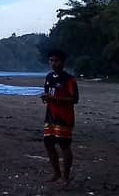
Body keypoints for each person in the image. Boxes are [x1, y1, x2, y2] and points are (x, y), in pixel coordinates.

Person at [41, 49, 80, 185]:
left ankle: (66, 176)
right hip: (50, 116)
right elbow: (48, 94)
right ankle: (56, 173)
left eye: (56, 60)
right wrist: (46, 98)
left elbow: (74, 99)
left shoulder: (69, 79)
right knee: (48, 144)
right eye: (51, 60)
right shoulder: (49, 77)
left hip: (64, 117)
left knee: (64, 145)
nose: (53, 63)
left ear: (62, 62)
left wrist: (54, 98)